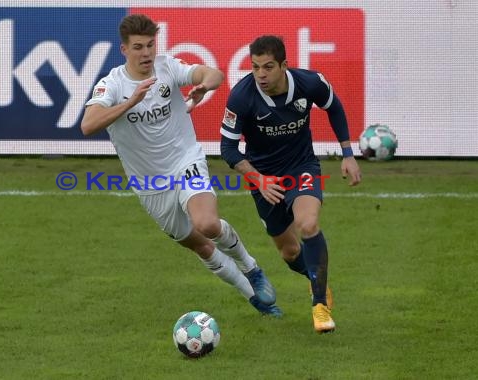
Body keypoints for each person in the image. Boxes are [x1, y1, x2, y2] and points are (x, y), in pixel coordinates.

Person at [81, 15, 281, 317]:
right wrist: (130, 102)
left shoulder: (167, 67)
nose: (146, 53)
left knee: (208, 224)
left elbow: (214, 74)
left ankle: (252, 268)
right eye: (138, 47)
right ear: (124, 50)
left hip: (185, 161)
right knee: (200, 245)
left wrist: (202, 85)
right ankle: (253, 296)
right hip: (149, 184)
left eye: (150, 45)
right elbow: (88, 125)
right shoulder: (112, 85)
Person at [220, 35, 362, 333]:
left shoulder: (310, 83)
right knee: (289, 253)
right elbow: (228, 150)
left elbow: (334, 107)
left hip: (301, 167)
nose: (261, 74)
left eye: (268, 67)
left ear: (284, 65)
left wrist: (348, 154)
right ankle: (316, 279)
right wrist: (259, 179)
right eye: (256, 67)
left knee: (307, 224)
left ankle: (319, 305)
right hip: (263, 177)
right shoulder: (241, 96)